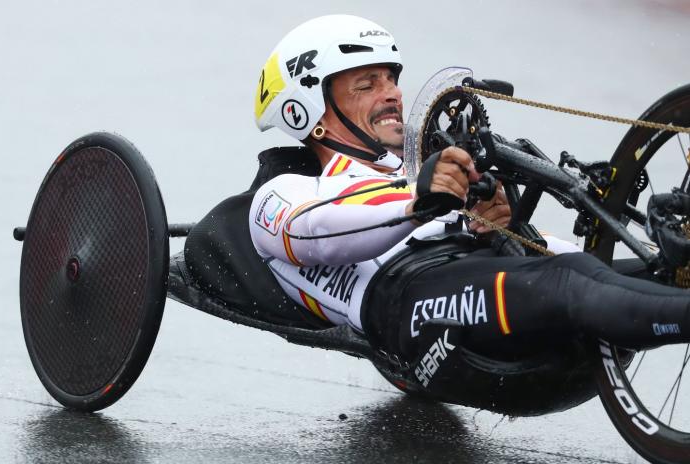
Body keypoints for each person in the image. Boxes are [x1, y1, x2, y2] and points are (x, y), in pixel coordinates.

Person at [249, 15, 690, 365]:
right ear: (310, 114)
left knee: (607, 271)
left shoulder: (416, 168)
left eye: (391, 79)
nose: (392, 94)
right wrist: (419, 201)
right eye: (367, 85)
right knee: (569, 282)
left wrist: (493, 223)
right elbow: (318, 229)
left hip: (476, 276)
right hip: (410, 300)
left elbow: (555, 259)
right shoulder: (283, 192)